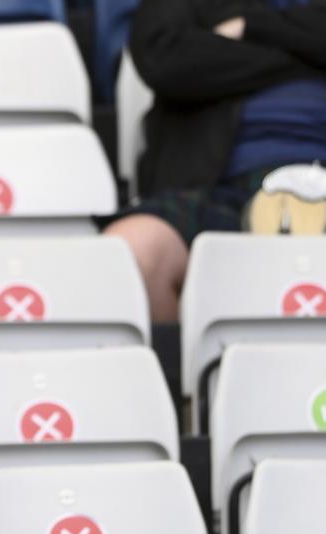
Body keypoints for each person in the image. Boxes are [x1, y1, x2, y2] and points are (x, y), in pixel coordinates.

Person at [103, 0, 326, 322]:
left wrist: (251, 27)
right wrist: (305, 53)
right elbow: (163, 58)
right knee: (132, 253)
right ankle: (179, 357)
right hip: (220, 184)